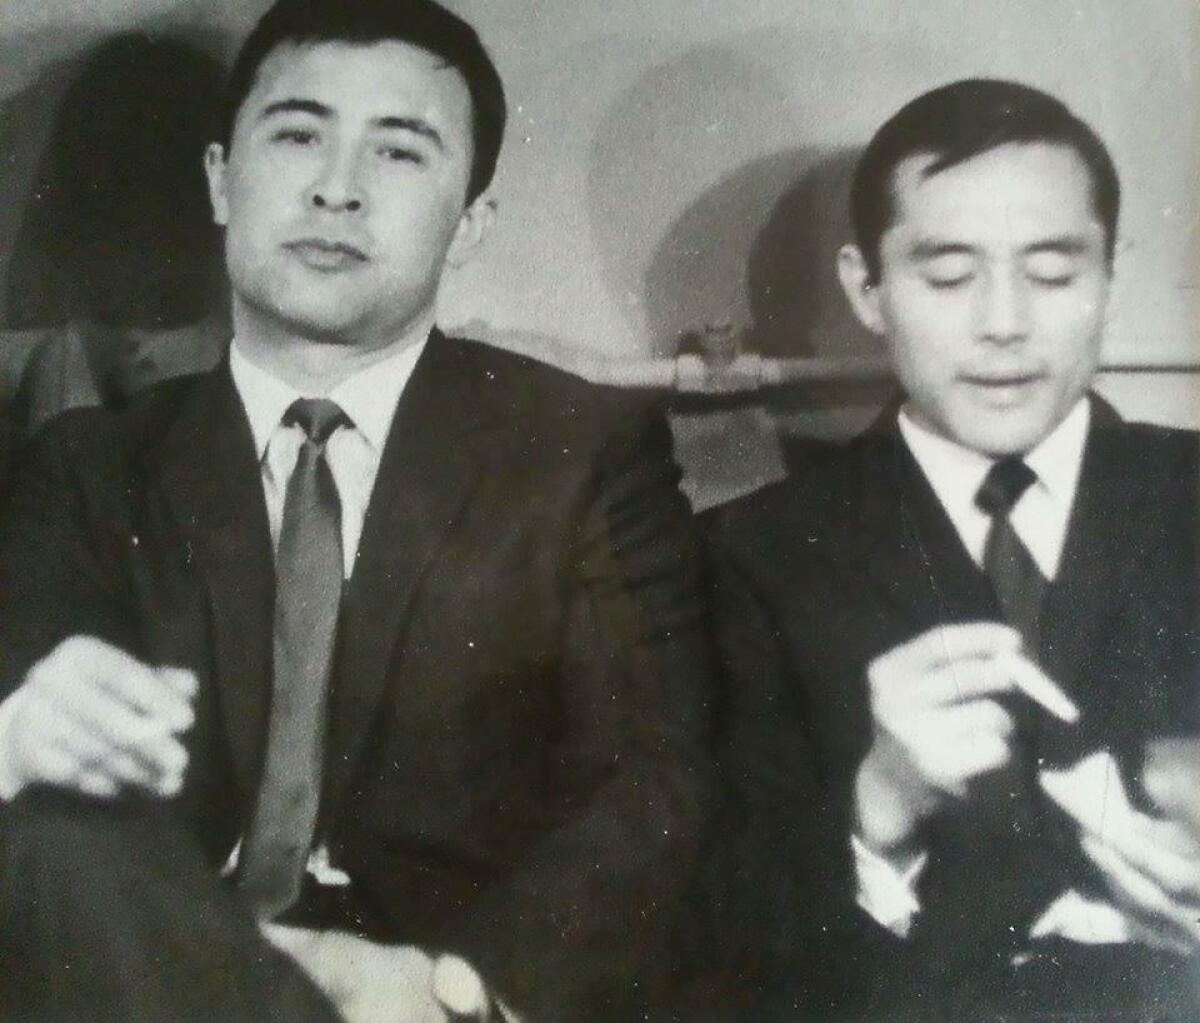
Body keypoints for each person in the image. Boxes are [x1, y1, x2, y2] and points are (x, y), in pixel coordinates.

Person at [0, 2, 711, 1021]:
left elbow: (655, 789)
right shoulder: (86, 467)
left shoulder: (586, 452)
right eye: (298, 135)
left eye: (399, 150)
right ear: (220, 181)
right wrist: (20, 735)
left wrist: (453, 985)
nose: (337, 188)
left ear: (470, 224)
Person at [708, 78, 1200, 1020]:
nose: (1003, 323)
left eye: (1052, 273)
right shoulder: (752, 553)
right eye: (947, 277)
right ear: (867, 288)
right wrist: (879, 806)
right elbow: (717, 934)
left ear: (1111, 277)